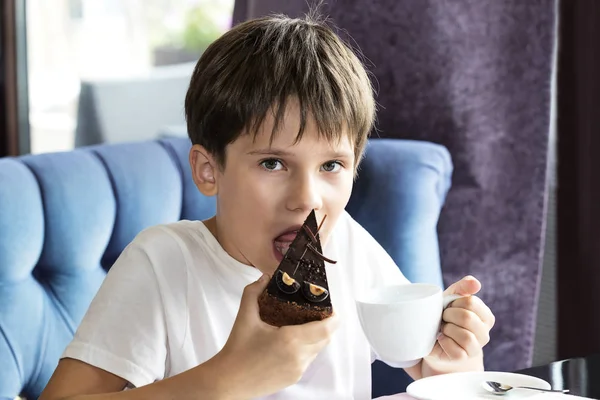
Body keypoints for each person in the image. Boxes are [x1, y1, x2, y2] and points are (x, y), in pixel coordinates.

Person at [41, 13, 495, 400]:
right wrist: (227, 378)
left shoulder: (349, 247)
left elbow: (422, 367)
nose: (307, 198)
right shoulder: (164, 263)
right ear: (208, 170)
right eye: (274, 163)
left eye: (332, 165)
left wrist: (451, 364)